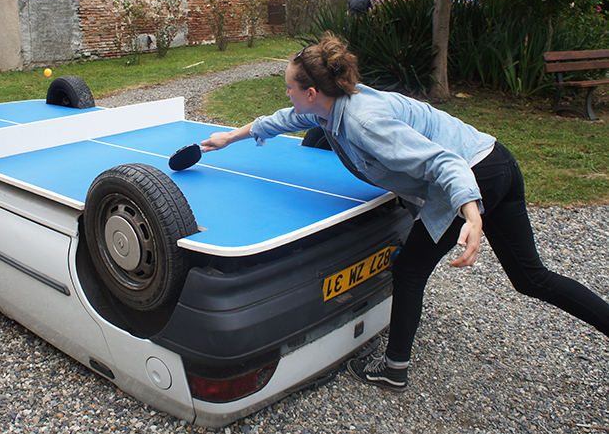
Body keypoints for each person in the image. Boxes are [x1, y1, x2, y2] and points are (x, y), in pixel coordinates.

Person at [201, 34, 609, 392]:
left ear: (312, 92)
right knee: (530, 277)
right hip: (497, 159)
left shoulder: (364, 121)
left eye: (289, 87)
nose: (286, 93)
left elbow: (444, 164)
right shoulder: (328, 104)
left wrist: (472, 215)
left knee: (410, 269)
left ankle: (393, 369)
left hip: (470, 175)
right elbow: (284, 119)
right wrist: (230, 137)